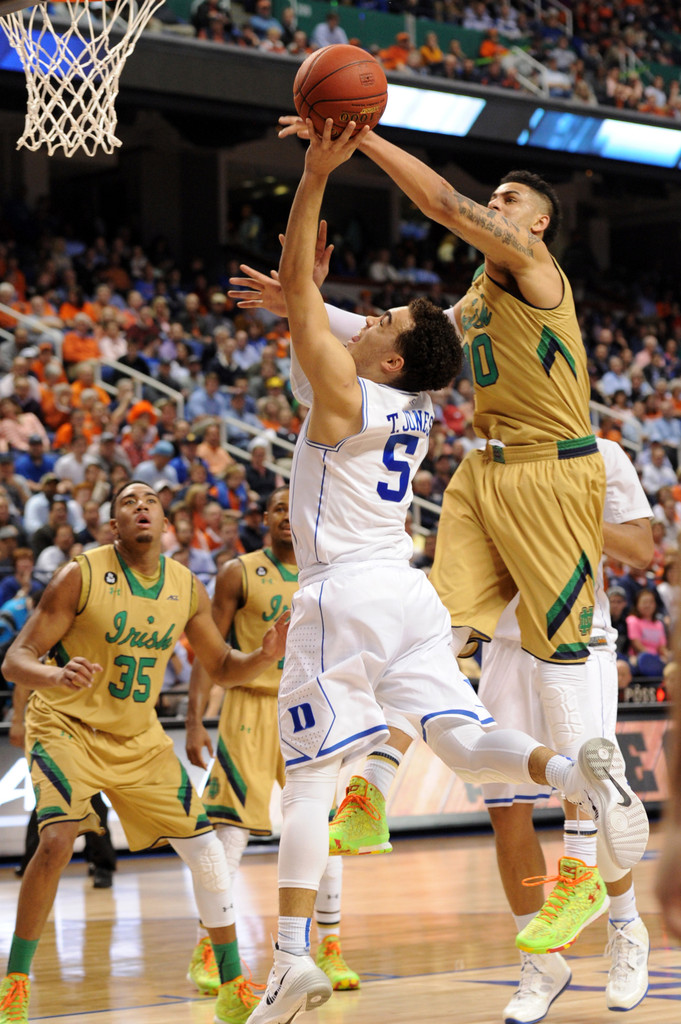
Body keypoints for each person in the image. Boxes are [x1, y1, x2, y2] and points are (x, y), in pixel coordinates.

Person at [236, 120, 648, 1024]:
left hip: (549, 467)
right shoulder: (472, 298)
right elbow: (412, 347)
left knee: (560, 653)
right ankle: (374, 791)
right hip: (484, 470)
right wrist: (303, 303)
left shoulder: (536, 275)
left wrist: (361, 137)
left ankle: (588, 843)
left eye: (509, 202)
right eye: (493, 198)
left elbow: (434, 204)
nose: (493, 207)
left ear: (537, 227)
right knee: (441, 632)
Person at [0, 479, 288, 1024]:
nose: (140, 507)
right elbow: (16, 660)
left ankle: (230, 986)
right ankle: (15, 980)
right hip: (67, 724)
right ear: (113, 526)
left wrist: (263, 655)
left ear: (166, 524)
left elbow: (222, 666)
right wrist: (55, 675)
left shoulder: (185, 586)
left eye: (150, 501)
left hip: (138, 737)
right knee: (58, 839)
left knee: (205, 852)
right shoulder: (78, 576)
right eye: (128, 502)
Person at [478, 438, 653, 1022]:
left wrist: (570, 512)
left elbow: (641, 550)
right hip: (504, 643)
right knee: (507, 809)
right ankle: (542, 958)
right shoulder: (485, 455)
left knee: (593, 792)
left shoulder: (600, 453)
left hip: (580, 633)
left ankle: (626, 931)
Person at [185, 486, 360, 995]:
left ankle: (330, 947)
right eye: (278, 506)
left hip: (312, 709)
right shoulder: (238, 572)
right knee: (230, 833)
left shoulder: (329, 571)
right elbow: (208, 652)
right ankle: (210, 950)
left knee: (324, 831)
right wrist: (195, 720)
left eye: (293, 505)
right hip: (250, 707)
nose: (287, 514)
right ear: (265, 516)